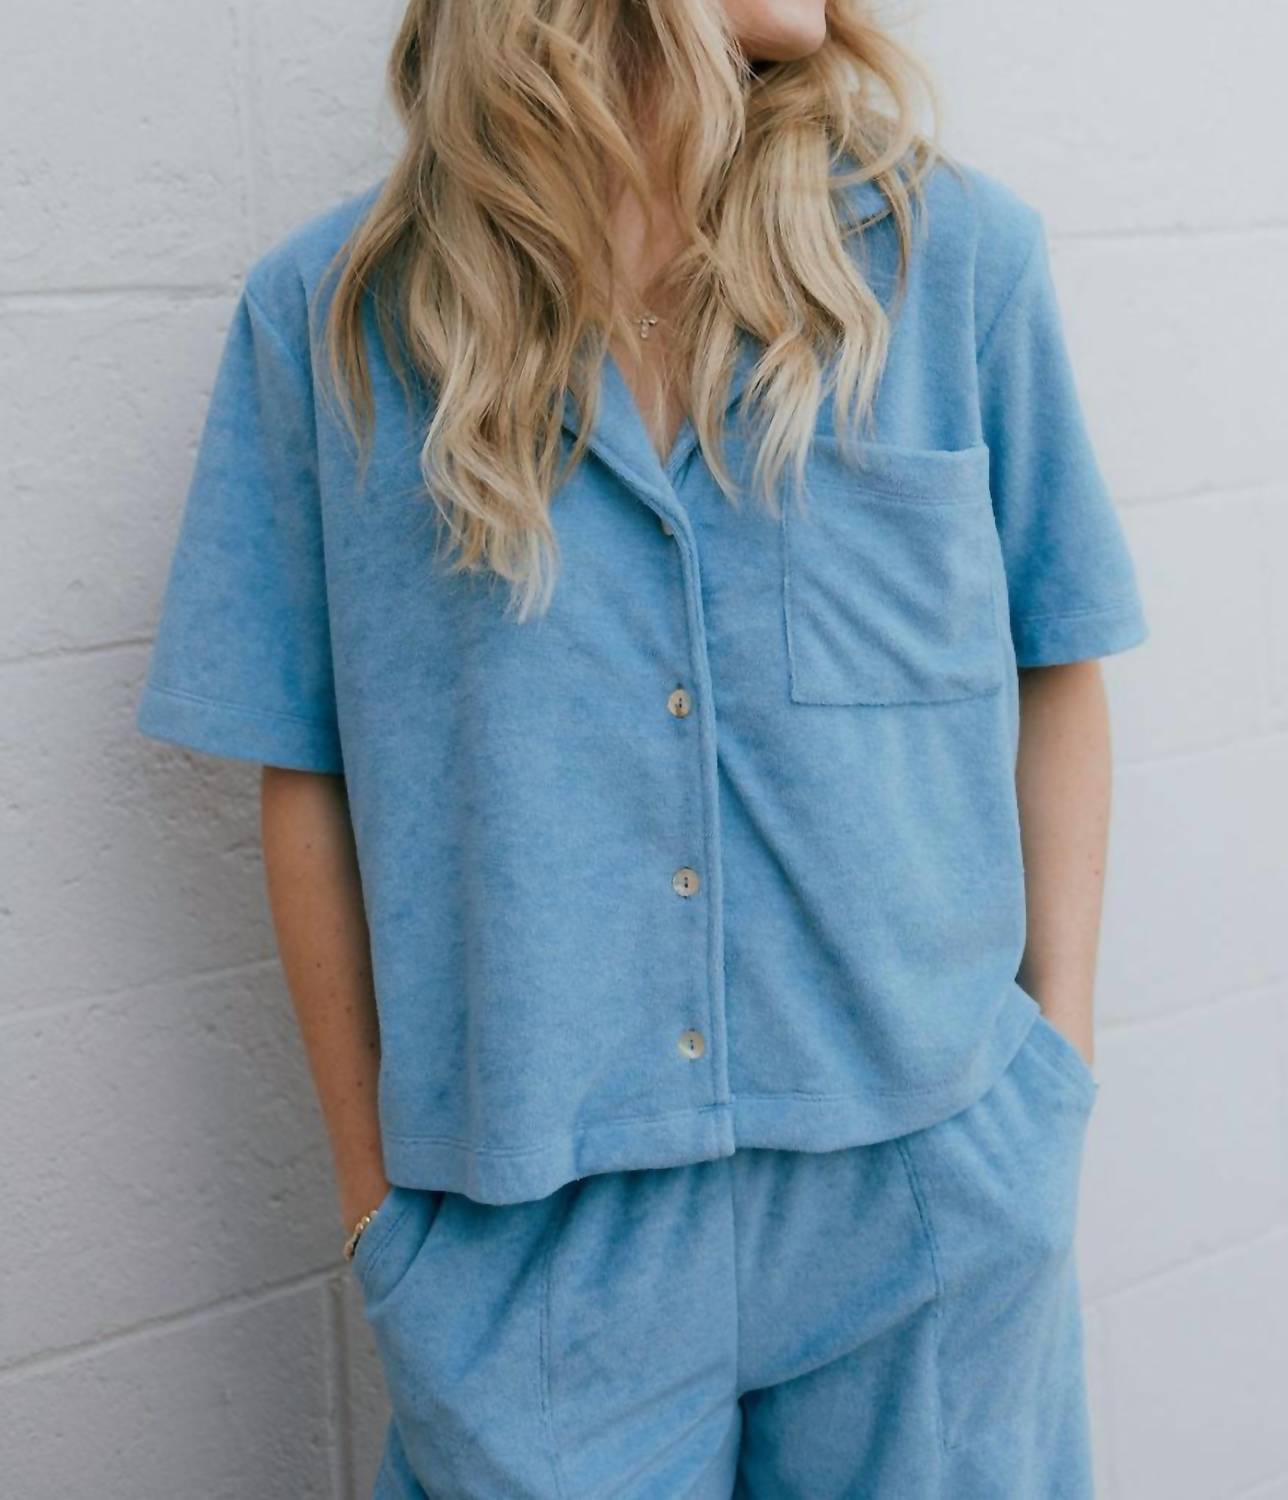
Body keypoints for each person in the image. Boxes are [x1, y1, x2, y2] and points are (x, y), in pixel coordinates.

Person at [136, 1, 1149, 1494]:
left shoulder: (956, 262)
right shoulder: (338, 319)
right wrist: (377, 1211)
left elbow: (1057, 661)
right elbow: (306, 775)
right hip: (534, 1251)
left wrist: (1049, 1077)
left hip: (927, 1200)